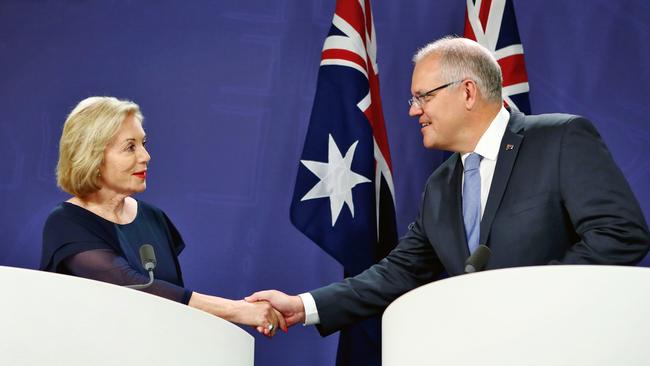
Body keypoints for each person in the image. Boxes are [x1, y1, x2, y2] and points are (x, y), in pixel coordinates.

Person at [245, 36, 650, 336]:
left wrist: (533, 297)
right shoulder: (441, 185)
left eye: (423, 96)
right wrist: (303, 306)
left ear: (468, 91)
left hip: (566, 345)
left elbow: (621, 234)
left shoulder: (559, 139)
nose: (414, 110)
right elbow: (399, 272)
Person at [40, 96, 285, 336]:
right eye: (130, 147)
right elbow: (129, 285)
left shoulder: (152, 218)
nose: (145, 157)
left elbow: (174, 305)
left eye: (143, 144)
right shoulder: (66, 223)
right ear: (92, 157)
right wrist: (237, 310)